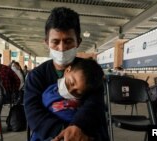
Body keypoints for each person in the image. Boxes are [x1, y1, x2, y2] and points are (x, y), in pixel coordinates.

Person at [24, 7, 108, 141]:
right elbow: (33, 112)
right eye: (55, 42)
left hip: (84, 131)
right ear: (46, 43)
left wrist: (78, 127)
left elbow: (94, 105)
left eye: (68, 41)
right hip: (52, 134)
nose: (62, 48)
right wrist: (64, 132)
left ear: (78, 42)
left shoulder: (90, 71)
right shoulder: (36, 76)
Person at [30, 59, 104, 141]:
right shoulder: (48, 88)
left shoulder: (78, 108)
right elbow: (33, 113)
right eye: (71, 82)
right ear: (67, 70)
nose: (70, 91)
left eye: (77, 92)